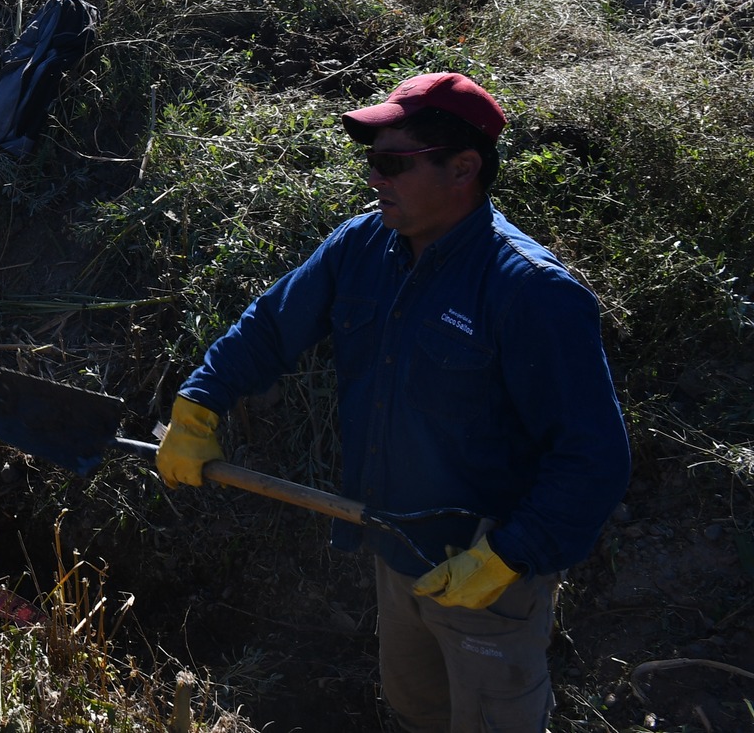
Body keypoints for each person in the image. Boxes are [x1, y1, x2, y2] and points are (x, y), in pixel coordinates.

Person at [155, 72, 629, 733]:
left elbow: (594, 457)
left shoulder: (531, 291)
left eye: (394, 163)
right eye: (372, 161)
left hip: (489, 576)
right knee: (414, 711)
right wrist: (200, 402)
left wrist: (508, 556)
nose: (374, 178)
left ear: (463, 168)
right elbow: (270, 327)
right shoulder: (361, 247)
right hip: (393, 548)